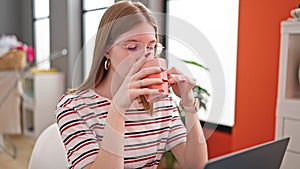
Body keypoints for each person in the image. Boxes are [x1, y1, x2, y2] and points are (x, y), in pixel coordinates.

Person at [55, 1, 208, 169]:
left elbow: (197, 166)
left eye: (151, 47)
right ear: (107, 50)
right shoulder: (74, 107)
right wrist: (117, 110)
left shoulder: (161, 103)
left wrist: (189, 105)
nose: (145, 56)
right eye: (133, 47)